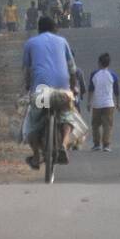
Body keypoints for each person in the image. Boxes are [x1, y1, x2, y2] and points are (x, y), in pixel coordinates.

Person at [21, 16, 84, 169]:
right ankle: (63, 143)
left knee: (30, 124)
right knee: (68, 117)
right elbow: (72, 69)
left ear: (38, 29)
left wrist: (28, 86)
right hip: (62, 93)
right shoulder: (62, 42)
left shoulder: (30, 43)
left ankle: (36, 156)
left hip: (40, 93)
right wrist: (73, 87)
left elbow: (27, 71)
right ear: (55, 29)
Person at [87, 52, 120, 152]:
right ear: (108, 63)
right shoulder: (113, 75)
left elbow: (90, 89)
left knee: (95, 125)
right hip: (109, 104)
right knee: (108, 125)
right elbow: (116, 91)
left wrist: (89, 102)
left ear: (99, 63)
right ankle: (106, 145)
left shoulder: (94, 74)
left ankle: (96, 144)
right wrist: (118, 103)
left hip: (97, 104)